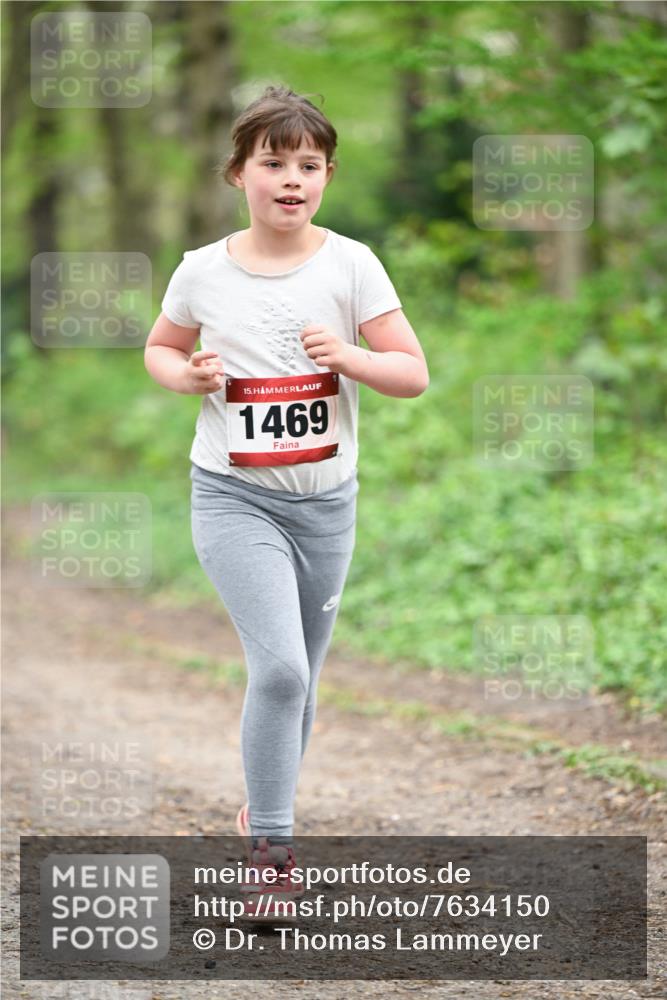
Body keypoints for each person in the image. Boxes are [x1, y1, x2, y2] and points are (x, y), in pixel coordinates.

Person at [144, 84, 429, 920]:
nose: (291, 179)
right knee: (278, 671)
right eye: (273, 162)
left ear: (328, 176)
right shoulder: (202, 270)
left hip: (326, 504)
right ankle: (271, 850)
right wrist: (185, 375)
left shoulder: (351, 264)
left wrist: (347, 356)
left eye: (308, 165)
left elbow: (411, 373)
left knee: (300, 684)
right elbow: (161, 349)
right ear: (239, 173)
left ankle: (259, 805)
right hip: (234, 496)